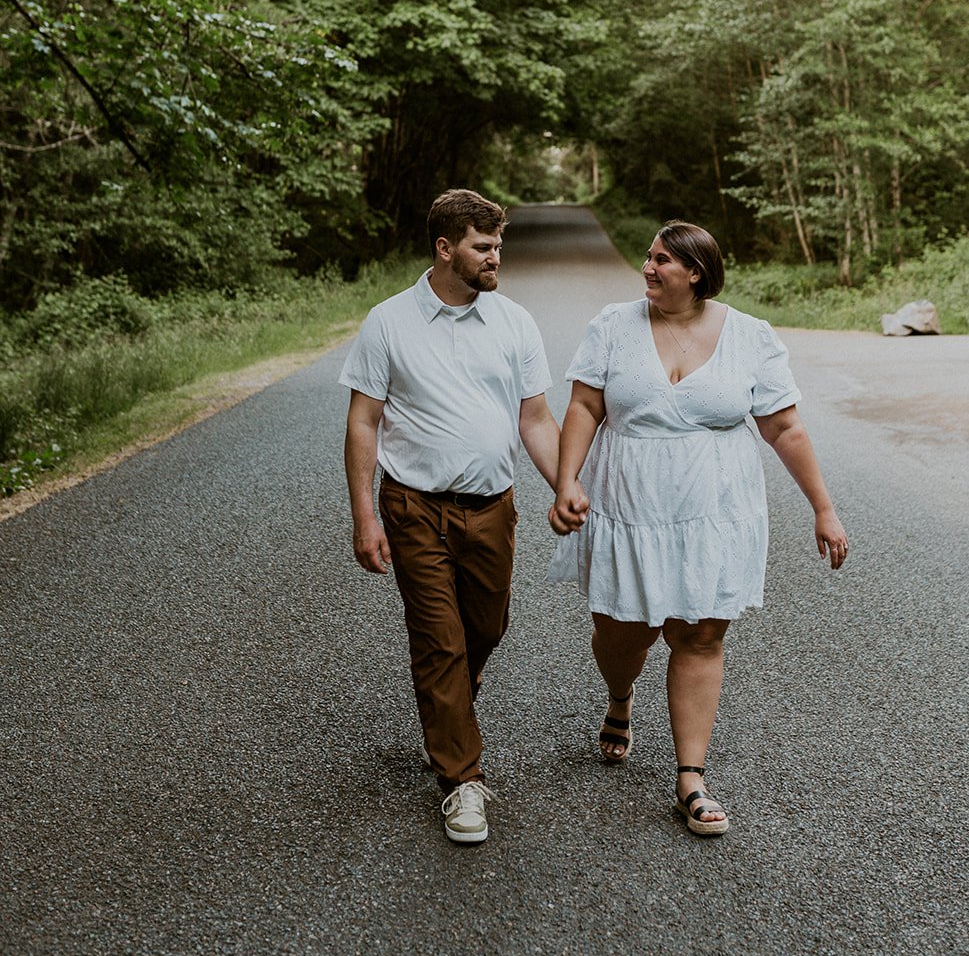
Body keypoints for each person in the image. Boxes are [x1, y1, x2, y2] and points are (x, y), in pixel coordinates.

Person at [548, 219, 848, 836]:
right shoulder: (612, 325)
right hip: (628, 503)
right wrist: (567, 480)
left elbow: (784, 428)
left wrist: (824, 507)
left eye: (661, 261)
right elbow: (583, 406)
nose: (648, 269)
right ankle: (620, 696)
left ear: (696, 274)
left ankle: (691, 778)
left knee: (701, 635)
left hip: (717, 508)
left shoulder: (751, 337)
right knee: (623, 634)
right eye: (648, 258)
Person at [341, 189, 559, 844]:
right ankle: (461, 782)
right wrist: (363, 516)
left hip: (492, 505)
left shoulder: (514, 322)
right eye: (483, 247)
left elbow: (535, 418)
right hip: (412, 506)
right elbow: (363, 421)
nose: (496, 258)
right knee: (440, 642)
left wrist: (566, 485)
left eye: (498, 246)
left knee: (483, 629)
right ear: (445, 249)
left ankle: (454, 696)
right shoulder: (387, 323)